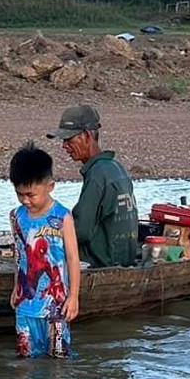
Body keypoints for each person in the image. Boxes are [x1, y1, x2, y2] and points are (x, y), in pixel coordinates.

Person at [6, 143, 79, 358]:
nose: (25, 201)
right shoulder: (16, 217)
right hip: (25, 303)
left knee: (59, 360)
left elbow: (73, 258)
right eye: (20, 194)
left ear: (50, 186)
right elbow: (19, 256)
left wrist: (73, 297)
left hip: (55, 306)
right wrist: (15, 288)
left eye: (31, 195)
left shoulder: (62, 217)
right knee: (25, 359)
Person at [47, 103, 138, 268]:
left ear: (87, 136)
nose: (64, 146)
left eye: (69, 139)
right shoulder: (116, 168)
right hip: (124, 256)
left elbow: (80, 232)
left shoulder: (97, 174)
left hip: (103, 262)